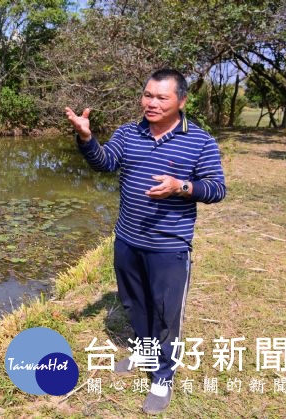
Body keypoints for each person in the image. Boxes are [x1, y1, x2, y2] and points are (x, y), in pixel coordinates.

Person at [65, 69, 226, 414]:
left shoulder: (201, 141)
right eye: (147, 95)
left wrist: (182, 187)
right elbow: (105, 163)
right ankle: (144, 351)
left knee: (167, 314)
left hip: (170, 246)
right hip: (127, 239)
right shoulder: (128, 132)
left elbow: (216, 188)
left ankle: (163, 376)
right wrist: (86, 138)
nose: (151, 103)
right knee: (134, 304)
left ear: (181, 101)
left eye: (161, 97)